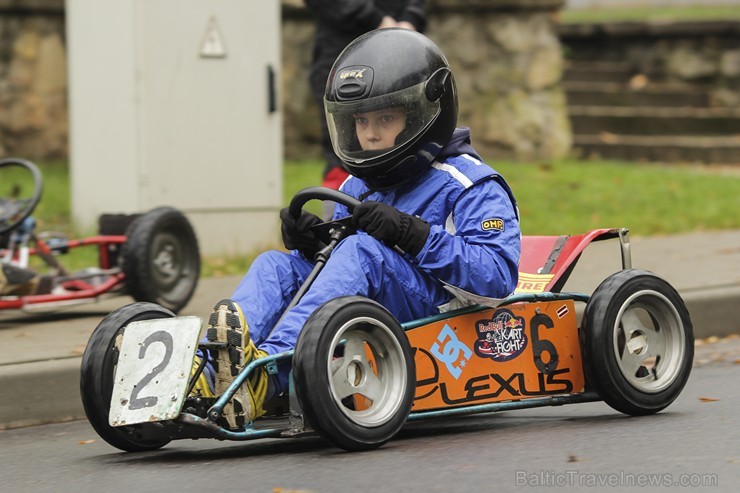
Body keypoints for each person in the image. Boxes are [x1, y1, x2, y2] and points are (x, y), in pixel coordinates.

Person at [191, 29, 521, 430]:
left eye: (386, 117)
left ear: (424, 112)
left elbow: (497, 277)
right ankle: (209, 375)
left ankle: (266, 374)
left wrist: (411, 233)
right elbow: (338, 272)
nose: (370, 133)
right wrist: (310, 244)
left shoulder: (470, 183)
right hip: (374, 303)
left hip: (446, 314)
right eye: (361, 120)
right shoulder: (357, 185)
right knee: (275, 265)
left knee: (363, 252)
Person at [303, 0, 426, 211]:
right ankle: (340, 221)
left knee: (412, 138)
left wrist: (410, 20)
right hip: (343, 52)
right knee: (347, 145)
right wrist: (377, 20)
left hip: (402, 50)